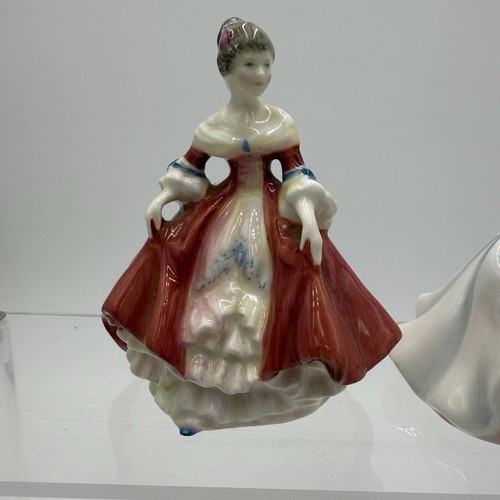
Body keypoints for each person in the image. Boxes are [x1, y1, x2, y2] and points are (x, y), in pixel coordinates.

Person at [102, 18, 401, 435]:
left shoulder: (280, 123)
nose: (260, 74)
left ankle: (273, 389)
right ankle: (199, 402)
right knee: (206, 293)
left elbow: (296, 175)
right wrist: (164, 197)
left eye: (266, 64)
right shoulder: (214, 126)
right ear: (227, 71)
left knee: (283, 288)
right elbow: (190, 169)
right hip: (225, 213)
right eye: (250, 64)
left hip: (267, 215)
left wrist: (308, 215)